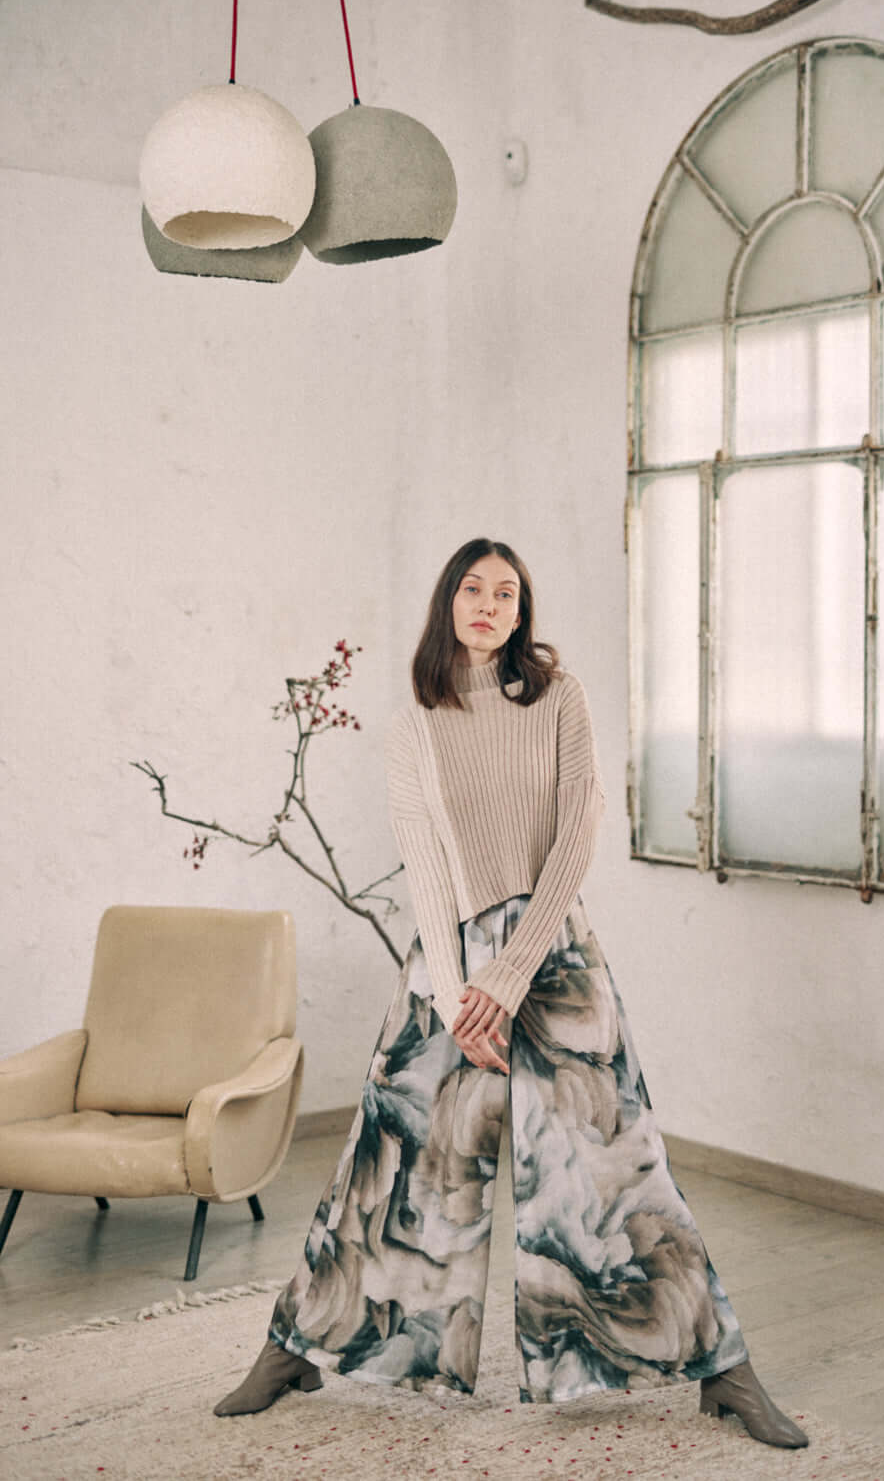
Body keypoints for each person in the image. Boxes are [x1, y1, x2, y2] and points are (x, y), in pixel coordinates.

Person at [214, 538, 807, 1450]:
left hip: (552, 955)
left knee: (615, 1166)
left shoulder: (560, 700)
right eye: (474, 589)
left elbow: (577, 840)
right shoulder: (417, 716)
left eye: (508, 593)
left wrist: (509, 970)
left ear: (523, 611)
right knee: (397, 1160)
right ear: (447, 600)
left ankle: (721, 1369)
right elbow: (426, 866)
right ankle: (298, 1344)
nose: (490, 605)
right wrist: (458, 996)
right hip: (447, 966)